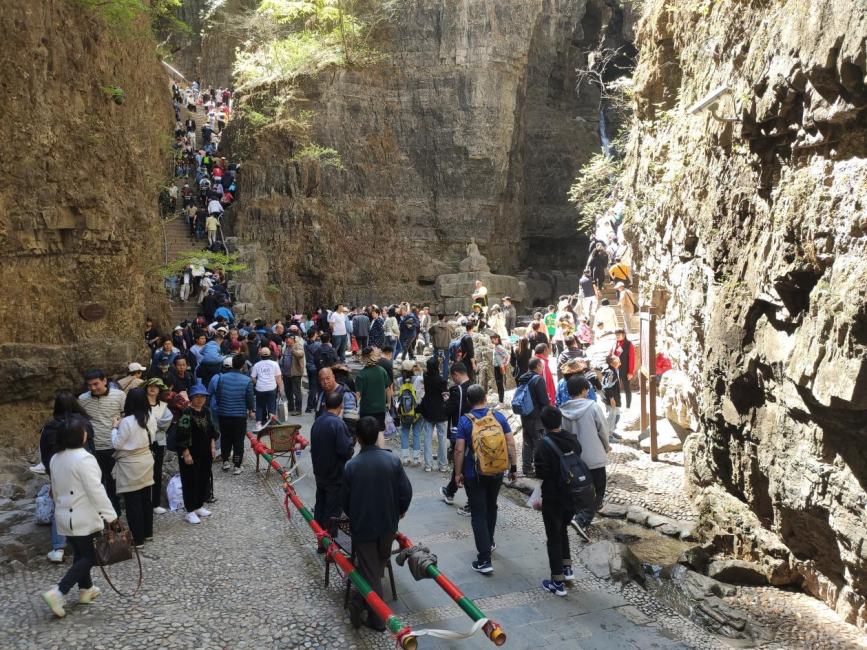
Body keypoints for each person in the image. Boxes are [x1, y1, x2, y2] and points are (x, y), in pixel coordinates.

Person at [41, 418, 119, 618]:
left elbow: (56, 490)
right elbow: (96, 490)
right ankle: (59, 591)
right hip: (83, 516)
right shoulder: (85, 458)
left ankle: (86, 589)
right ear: (80, 436)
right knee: (91, 557)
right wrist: (111, 516)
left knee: (80, 553)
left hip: (64, 515)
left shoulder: (55, 458)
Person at [341, 417, 412, 631]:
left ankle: (377, 617)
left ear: (359, 438)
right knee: (376, 565)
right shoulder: (392, 461)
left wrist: (354, 515)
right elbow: (405, 491)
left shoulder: (352, 466)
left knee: (371, 570)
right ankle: (362, 602)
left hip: (364, 526)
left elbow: (345, 501)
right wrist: (400, 510)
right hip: (388, 524)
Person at [453, 385, 517, 573]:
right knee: (492, 506)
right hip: (497, 472)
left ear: (468, 401)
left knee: (479, 512)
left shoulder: (465, 421)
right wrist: (513, 468)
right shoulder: (498, 417)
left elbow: (459, 450)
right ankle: (489, 542)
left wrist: (458, 473)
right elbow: (511, 443)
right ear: (485, 398)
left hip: (474, 474)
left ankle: (484, 560)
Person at [39, 393, 95, 564]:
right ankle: (90, 541)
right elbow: (92, 447)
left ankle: (59, 548)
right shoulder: (84, 424)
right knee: (86, 503)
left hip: (59, 473)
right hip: (83, 470)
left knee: (60, 506)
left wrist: (52, 477)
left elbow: (44, 456)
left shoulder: (48, 428)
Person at [534, 406, 580, 595]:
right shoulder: (572, 439)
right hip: (571, 494)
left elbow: (541, 472)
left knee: (553, 537)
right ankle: (567, 568)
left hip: (553, 496)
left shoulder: (544, 444)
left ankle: (557, 582)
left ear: (543, 424)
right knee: (563, 530)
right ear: (560, 421)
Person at [560, 375, 609, 541]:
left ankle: (579, 517)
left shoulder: (561, 411)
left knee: (580, 490)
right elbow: (603, 430)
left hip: (574, 461)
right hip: (594, 457)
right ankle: (581, 520)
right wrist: (606, 447)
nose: (588, 390)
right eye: (587, 388)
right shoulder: (593, 407)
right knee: (598, 490)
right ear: (583, 390)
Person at [111, 389, 156, 548]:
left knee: (133, 503)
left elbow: (117, 444)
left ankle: (138, 540)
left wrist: (114, 428)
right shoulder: (150, 417)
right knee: (146, 499)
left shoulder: (126, 421)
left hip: (130, 464)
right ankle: (148, 533)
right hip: (146, 460)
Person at [79, 370, 126, 514]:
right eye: (89, 385)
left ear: (104, 381)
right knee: (95, 483)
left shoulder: (119, 395)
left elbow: (125, 417)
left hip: (112, 446)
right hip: (92, 448)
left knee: (113, 483)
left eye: (96, 384)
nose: (93, 388)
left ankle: (115, 515)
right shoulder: (83, 399)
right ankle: (99, 515)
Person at [311, 391, 355, 544]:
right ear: (341, 405)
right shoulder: (338, 423)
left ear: (325, 404)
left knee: (320, 507)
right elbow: (345, 450)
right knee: (332, 511)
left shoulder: (318, 421)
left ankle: (320, 541)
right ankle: (330, 545)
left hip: (320, 472)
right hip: (334, 475)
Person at [176, 384, 218, 524]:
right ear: (192, 397)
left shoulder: (206, 410)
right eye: (197, 396)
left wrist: (212, 447)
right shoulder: (186, 412)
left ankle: (198, 505)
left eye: (203, 396)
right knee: (190, 480)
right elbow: (182, 433)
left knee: (203, 478)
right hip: (191, 451)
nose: (200, 399)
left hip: (205, 450)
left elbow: (211, 430)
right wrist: (186, 453)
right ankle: (189, 510)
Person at [440, 363, 472, 515]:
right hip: (474, 431)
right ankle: (449, 490)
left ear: (456, 374)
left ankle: (471, 501)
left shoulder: (457, 390)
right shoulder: (474, 387)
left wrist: (447, 400)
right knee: (464, 464)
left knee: (463, 465)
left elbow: (446, 410)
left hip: (458, 431)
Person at [216, 355, 256, 475]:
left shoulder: (222, 378)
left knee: (225, 437)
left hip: (224, 413)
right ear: (243, 365)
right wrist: (251, 410)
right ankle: (237, 465)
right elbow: (250, 397)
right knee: (238, 439)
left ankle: (225, 461)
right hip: (239, 415)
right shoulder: (246, 380)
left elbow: (218, 395)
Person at [516, 358, 550, 477]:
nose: (542, 369)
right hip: (536, 416)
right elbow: (543, 400)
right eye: (541, 366)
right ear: (537, 367)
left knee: (527, 441)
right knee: (538, 441)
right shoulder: (538, 379)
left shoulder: (523, 378)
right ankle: (539, 468)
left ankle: (526, 467)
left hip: (525, 414)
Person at [143, 378, 173, 516]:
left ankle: (155, 503)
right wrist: (155, 424)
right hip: (143, 442)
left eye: (156, 386)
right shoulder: (141, 404)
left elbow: (167, 421)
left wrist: (150, 423)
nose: (153, 388)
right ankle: (144, 503)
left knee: (157, 471)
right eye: (150, 386)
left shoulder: (163, 406)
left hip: (158, 442)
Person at [419, 356, 449, 472]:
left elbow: (427, 372)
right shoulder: (441, 381)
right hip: (441, 412)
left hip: (428, 411)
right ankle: (442, 465)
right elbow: (445, 396)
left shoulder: (426, 377)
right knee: (442, 439)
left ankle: (428, 465)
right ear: (437, 366)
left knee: (427, 438)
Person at [355, 347, 393, 433]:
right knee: (379, 432)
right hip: (380, 408)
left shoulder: (361, 375)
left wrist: (354, 407)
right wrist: (389, 403)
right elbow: (387, 389)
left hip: (366, 409)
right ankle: (380, 447)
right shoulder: (382, 371)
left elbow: (358, 394)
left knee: (365, 432)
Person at [395, 359, 424, 466]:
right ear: (413, 369)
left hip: (404, 412)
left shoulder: (399, 380)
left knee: (405, 433)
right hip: (416, 412)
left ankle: (405, 458)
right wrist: (419, 368)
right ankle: (416, 459)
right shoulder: (419, 379)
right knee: (416, 434)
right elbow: (426, 378)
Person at [251, 346, 283, 425]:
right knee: (271, 405)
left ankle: (259, 422)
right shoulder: (275, 364)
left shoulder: (257, 365)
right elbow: (278, 377)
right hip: (272, 387)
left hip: (260, 388)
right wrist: (280, 387)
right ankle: (272, 422)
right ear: (270, 355)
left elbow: (253, 377)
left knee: (259, 405)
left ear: (260, 355)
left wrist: (257, 382)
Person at [280, 331, 305, 416]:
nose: (286, 340)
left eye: (288, 339)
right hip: (286, 373)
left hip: (295, 373)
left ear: (292, 339)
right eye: (286, 339)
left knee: (296, 392)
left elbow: (301, 354)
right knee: (287, 391)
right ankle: (291, 406)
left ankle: (298, 409)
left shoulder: (297, 346)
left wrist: (294, 351)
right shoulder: (286, 347)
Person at [610, 329, 635, 409]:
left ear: (623, 334)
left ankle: (628, 406)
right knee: (615, 387)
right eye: (616, 334)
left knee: (627, 388)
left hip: (625, 369)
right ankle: (617, 405)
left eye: (619, 334)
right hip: (615, 370)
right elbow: (610, 356)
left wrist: (630, 371)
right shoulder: (614, 344)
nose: (617, 336)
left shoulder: (629, 344)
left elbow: (632, 359)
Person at [601, 355, 622, 440]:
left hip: (614, 396)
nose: (619, 359)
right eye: (616, 359)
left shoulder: (614, 371)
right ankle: (608, 435)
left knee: (617, 415)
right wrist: (611, 398)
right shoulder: (611, 373)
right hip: (610, 398)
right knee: (611, 416)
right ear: (611, 363)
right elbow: (607, 386)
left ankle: (612, 430)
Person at [429, 312, 455, 380]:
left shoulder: (434, 326)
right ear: (445, 318)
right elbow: (453, 331)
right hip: (446, 348)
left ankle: (435, 378)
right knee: (445, 364)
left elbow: (430, 332)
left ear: (438, 317)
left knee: (435, 364)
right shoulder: (449, 326)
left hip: (437, 348)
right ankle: (445, 379)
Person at [304, 330, 322, 413]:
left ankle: (312, 403)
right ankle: (310, 406)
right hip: (315, 367)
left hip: (308, 366)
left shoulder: (305, 343)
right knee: (314, 388)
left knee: (311, 386)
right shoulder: (317, 344)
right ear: (314, 335)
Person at [491, 333, 509, 404]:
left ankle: (501, 402)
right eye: (491, 339)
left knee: (500, 384)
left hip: (499, 367)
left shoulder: (499, 347)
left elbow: (507, 356)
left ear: (497, 339)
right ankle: (500, 401)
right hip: (497, 367)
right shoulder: (496, 347)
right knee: (499, 384)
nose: (491, 340)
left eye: (492, 339)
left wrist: (503, 363)